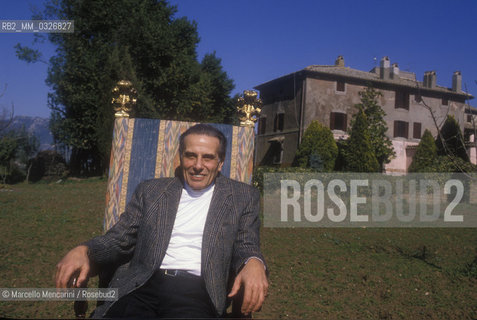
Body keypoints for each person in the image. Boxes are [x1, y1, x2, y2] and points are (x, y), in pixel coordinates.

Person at [55, 124, 268, 318]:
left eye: (208, 158)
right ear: (180, 158)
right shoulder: (152, 191)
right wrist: (86, 250)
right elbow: (120, 238)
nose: (198, 165)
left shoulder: (242, 196)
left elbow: (246, 243)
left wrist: (253, 262)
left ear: (220, 162)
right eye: (191, 156)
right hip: (141, 284)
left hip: (197, 291)